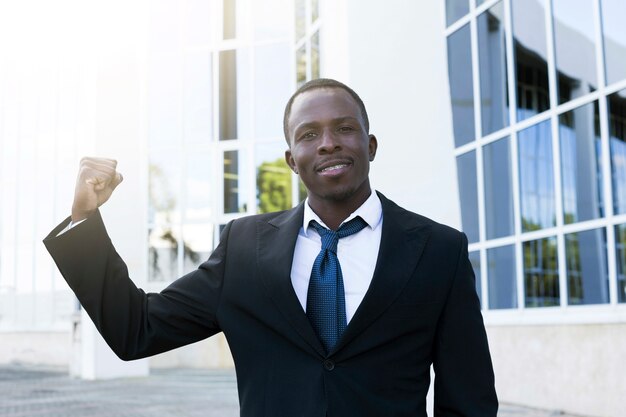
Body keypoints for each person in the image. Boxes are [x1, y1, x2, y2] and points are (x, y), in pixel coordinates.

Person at [44, 78, 498, 416]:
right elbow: (137, 329)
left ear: (370, 144)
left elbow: (469, 400)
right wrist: (85, 218)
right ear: (291, 161)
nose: (328, 144)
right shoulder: (244, 248)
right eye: (308, 135)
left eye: (344, 128)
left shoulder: (439, 250)